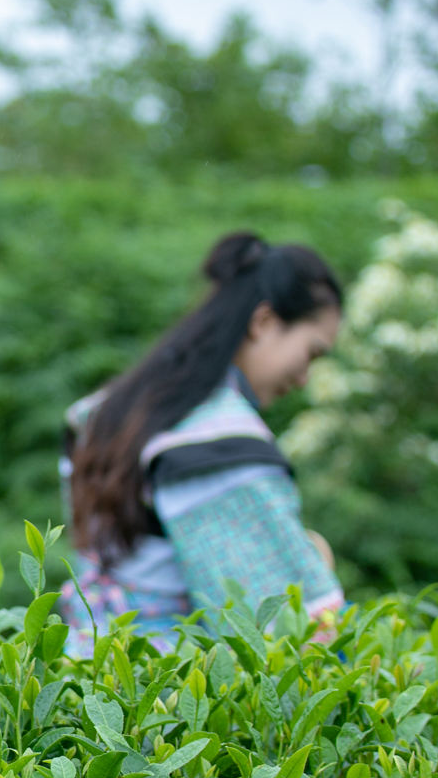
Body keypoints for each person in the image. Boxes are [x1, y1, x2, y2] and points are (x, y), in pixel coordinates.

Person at [57, 231, 344, 653]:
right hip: (166, 698)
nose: (304, 378)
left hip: (89, 668)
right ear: (264, 322)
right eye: (311, 353)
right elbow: (281, 634)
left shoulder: (113, 410)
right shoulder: (215, 440)